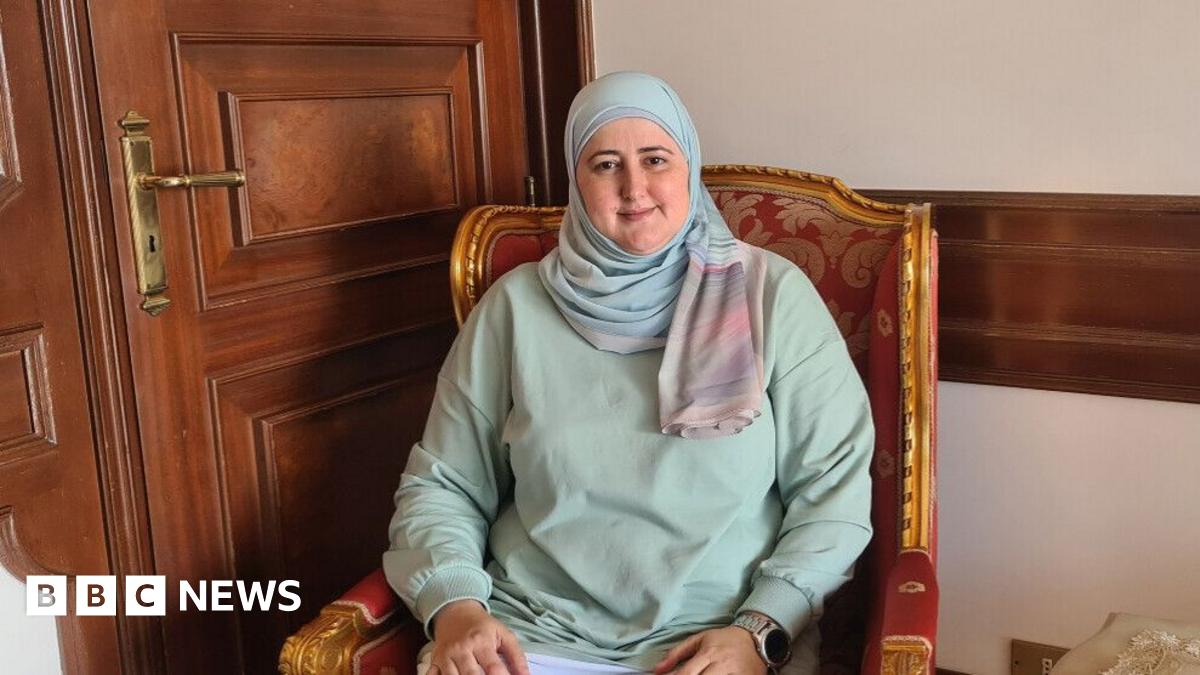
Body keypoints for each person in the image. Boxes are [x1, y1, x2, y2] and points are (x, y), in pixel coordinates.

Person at [384, 71, 874, 675]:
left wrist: (760, 630)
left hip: (715, 645)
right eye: (606, 164)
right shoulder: (514, 309)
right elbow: (442, 484)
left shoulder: (771, 297)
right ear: (576, 179)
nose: (634, 188)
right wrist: (455, 608)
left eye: (655, 159)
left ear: (688, 166)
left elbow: (834, 496)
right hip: (526, 638)